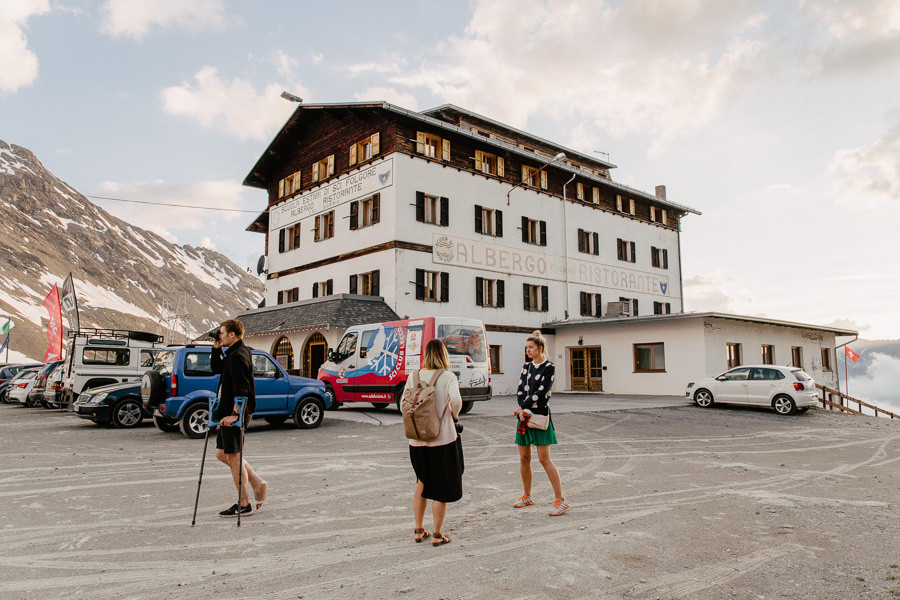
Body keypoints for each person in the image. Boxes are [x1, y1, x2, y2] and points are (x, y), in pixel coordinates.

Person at [405, 338, 463, 546]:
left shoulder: (413, 376)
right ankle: (438, 534)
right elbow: (456, 401)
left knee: (422, 482)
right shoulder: (448, 376)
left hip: (417, 440)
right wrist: (453, 416)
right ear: (443, 355)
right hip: (442, 440)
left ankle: (419, 530)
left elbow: (403, 402)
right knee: (441, 485)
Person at [211, 319, 267, 518]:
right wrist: (216, 348)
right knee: (222, 454)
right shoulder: (234, 353)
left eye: (222, 333)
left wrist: (235, 414)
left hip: (234, 413)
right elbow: (216, 369)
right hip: (227, 411)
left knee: (234, 457)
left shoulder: (238, 356)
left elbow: (242, 387)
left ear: (232, 334)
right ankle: (256, 481)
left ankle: (244, 504)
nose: (220, 335)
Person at [513, 329, 568, 516]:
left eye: (531, 347)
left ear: (540, 348)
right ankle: (527, 495)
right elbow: (521, 390)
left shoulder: (549, 367)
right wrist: (521, 408)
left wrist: (524, 408)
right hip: (524, 418)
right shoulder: (526, 367)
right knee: (524, 458)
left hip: (540, 417)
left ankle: (560, 500)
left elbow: (542, 393)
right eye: (526, 348)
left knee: (544, 459)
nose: (528, 350)